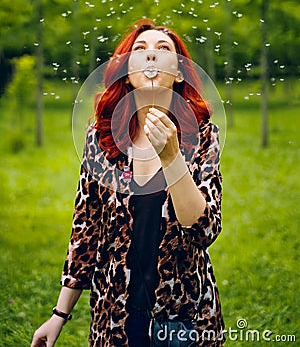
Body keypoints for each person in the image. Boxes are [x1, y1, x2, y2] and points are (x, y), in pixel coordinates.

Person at [31, 19, 225, 347]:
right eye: (140, 50)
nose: (151, 55)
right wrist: (59, 315)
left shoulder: (202, 136)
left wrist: (172, 157)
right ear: (126, 70)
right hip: (115, 315)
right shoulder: (101, 139)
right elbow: (86, 230)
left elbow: (204, 230)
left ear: (179, 72)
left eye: (163, 50)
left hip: (182, 317)